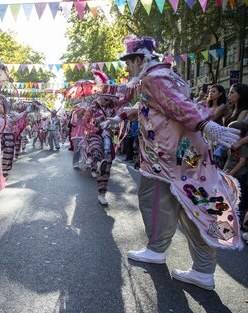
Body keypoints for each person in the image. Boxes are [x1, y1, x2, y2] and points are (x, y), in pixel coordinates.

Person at [103, 35, 243, 291]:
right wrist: (122, 115)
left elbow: (179, 106)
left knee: (164, 204)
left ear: (138, 60)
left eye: (128, 62)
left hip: (167, 160)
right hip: (181, 159)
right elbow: (157, 108)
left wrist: (206, 124)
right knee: (193, 207)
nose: (126, 68)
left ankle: (164, 252)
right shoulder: (167, 76)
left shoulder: (153, 78)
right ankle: (199, 267)